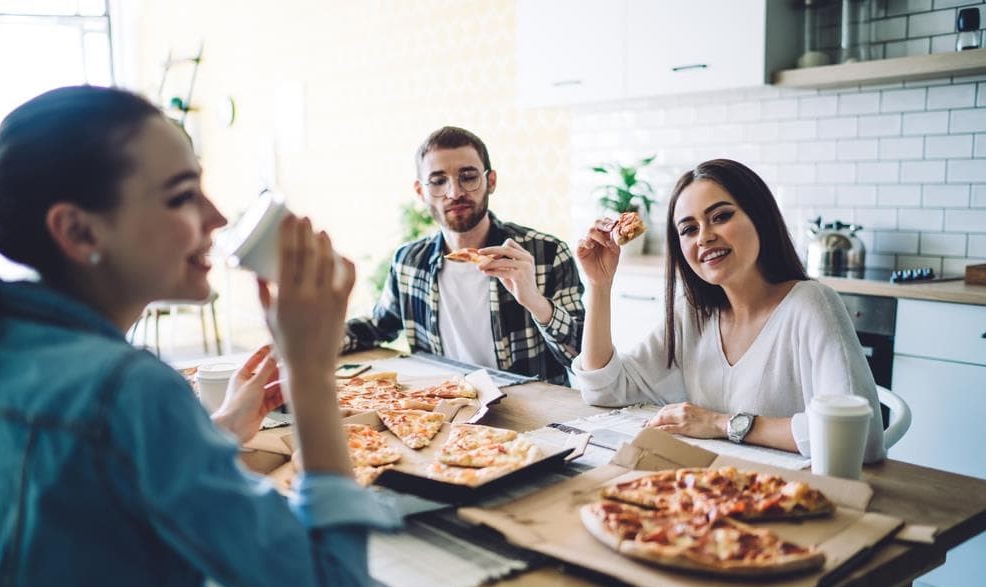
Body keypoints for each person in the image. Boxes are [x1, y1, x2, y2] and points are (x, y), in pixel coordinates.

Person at [0, 85, 400, 587]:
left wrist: (221, 426)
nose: (218, 217)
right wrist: (311, 376)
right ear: (79, 232)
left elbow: (92, 475)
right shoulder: (131, 389)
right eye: (183, 196)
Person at [573, 158, 884, 463]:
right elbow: (606, 390)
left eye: (720, 217)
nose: (704, 236)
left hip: (793, 496)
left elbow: (860, 437)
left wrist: (720, 423)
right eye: (689, 229)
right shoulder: (692, 315)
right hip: (714, 492)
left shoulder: (812, 304)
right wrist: (599, 286)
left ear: (759, 217)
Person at [342, 126, 585, 385]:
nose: (455, 192)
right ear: (420, 192)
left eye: (468, 177)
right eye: (437, 181)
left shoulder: (547, 254)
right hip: (447, 409)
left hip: (535, 413)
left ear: (490, 181)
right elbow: (377, 326)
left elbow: (582, 357)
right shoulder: (408, 261)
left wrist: (536, 302)